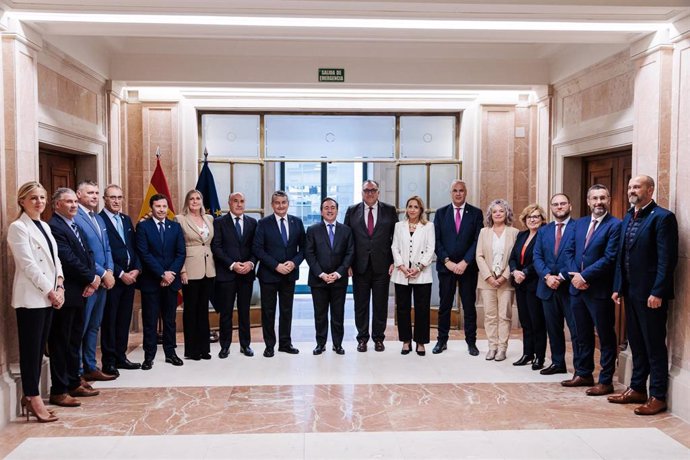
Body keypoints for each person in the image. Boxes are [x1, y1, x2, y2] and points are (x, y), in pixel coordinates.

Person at [609, 175, 678, 415]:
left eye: (637, 187)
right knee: (636, 343)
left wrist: (658, 291)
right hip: (630, 291)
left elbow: (666, 260)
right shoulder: (629, 216)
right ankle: (637, 388)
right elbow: (621, 256)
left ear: (650, 190)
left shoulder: (663, 218)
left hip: (650, 295)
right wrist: (618, 287)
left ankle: (658, 395)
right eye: (629, 187)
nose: (632, 190)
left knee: (654, 345)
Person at [8, 181, 64, 423]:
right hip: (31, 298)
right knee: (31, 351)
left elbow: (55, 258)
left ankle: (33, 396)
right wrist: (50, 291)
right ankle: (31, 396)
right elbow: (28, 264)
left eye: (42, 197)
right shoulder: (18, 227)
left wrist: (60, 283)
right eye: (33, 198)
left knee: (41, 347)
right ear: (22, 201)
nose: (39, 202)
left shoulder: (44, 225)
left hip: (49, 294)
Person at [561, 184, 620, 396]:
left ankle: (606, 380)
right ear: (588, 201)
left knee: (605, 336)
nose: (598, 202)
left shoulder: (615, 225)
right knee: (581, 334)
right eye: (594, 198)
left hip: (599, 291)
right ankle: (583, 373)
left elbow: (610, 257)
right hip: (577, 290)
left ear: (609, 199)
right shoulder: (580, 223)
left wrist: (584, 277)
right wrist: (576, 276)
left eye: (602, 198)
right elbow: (568, 252)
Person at [48, 188, 100, 408]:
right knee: (60, 341)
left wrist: (91, 280)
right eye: (67, 201)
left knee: (73, 340)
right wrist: (91, 277)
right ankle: (58, 390)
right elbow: (67, 259)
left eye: (74, 202)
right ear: (56, 205)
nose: (73, 205)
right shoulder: (54, 227)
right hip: (66, 292)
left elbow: (88, 254)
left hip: (81, 291)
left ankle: (72, 382)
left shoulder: (75, 225)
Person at [344, 180, 398, 352]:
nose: (369, 193)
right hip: (359, 267)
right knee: (361, 304)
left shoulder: (389, 211)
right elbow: (347, 240)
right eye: (366, 190)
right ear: (361, 192)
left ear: (378, 192)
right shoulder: (352, 211)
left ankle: (378, 338)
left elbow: (395, 238)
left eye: (373, 190)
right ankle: (362, 338)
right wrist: (348, 264)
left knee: (380, 304)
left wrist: (394, 262)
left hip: (382, 266)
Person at [135, 193, 186, 370]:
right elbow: (144, 253)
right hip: (151, 281)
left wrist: (171, 273)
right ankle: (149, 356)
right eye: (158, 206)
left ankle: (171, 353)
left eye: (164, 206)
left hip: (171, 281)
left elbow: (181, 253)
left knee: (170, 320)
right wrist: (161, 274)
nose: (162, 210)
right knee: (150, 320)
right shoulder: (143, 227)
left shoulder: (175, 227)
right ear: (152, 208)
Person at [433, 180, 483, 355]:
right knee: (444, 306)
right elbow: (436, 240)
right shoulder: (440, 213)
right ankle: (441, 341)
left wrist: (465, 262)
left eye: (461, 190)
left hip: (467, 269)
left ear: (466, 192)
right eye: (455, 190)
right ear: (451, 193)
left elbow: (478, 240)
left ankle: (471, 342)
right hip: (446, 268)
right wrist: (447, 261)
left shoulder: (476, 213)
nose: (458, 193)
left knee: (469, 306)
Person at [253, 191, 306, 357]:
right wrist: (276, 266)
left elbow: (304, 249)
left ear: (288, 204)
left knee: (286, 310)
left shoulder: (297, 222)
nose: (281, 206)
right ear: (272, 204)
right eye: (277, 203)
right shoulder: (263, 223)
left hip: (289, 274)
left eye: (284, 202)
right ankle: (269, 345)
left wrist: (294, 263)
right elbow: (258, 249)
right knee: (268, 311)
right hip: (269, 274)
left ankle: (285, 343)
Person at [74, 180, 116, 382]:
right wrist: (101, 272)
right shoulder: (76, 217)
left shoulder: (97, 218)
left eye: (97, 193)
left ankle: (91, 366)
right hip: (88, 282)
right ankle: (78, 371)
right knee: (80, 327)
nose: (94, 196)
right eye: (90, 192)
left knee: (94, 325)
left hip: (103, 281)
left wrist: (110, 270)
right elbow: (83, 251)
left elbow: (106, 247)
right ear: (79, 195)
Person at [533, 193, 579, 376]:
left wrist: (560, 276)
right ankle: (558, 362)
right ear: (551, 208)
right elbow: (537, 256)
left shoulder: (578, 227)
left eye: (562, 204)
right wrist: (546, 276)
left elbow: (578, 256)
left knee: (576, 329)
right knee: (553, 328)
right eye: (555, 204)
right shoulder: (544, 230)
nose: (559, 207)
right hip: (547, 287)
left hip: (569, 287)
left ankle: (580, 368)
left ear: (570, 206)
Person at [99, 184, 142, 375]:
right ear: (105, 199)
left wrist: (136, 269)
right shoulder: (99, 221)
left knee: (124, 319)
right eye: (112, 197)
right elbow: (101, 253)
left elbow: (134, 247)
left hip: (130, 278)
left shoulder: (125, 219)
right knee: (110, 320)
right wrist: (120, 274)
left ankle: (121, 356)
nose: (116, 201)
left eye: (119, 197)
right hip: (113, 279)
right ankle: (108, 360)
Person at [305, 198, 354, 356]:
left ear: (337, 210)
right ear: (321, 211)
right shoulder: (312, 230)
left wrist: (339, 272)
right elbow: (309, 254)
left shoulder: (346, 230)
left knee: (338, 314)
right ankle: (320, 344)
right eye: (326, 208)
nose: (330, 210)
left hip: (339, 280)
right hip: (318, 280)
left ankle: (338, 344)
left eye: (333, 207)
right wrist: (321, 274)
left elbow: (350, 253)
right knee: (320, 314)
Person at [212, 192, 257, 358]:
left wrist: (250, 263)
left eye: (242, 201)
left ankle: (245, 345)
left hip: (246, 274)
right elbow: (217, 248)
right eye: (235, 201)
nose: (239, 204)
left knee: (244, 311)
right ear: (229, 203)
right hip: (227, 274)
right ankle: (225, 346)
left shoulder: (253, 223)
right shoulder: (219, 222)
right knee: (226, 312)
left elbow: (256, 247)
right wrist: (232, 265)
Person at [391, 196, 435, 356]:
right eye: (410, 206)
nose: (412, 209)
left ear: (421, 210)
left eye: (416, 207)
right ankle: (406, 341)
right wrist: (401, 266)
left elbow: (431, 249)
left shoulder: (428, 226)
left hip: (421, 274)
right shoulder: (398, 226)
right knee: (402, 309)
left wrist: (419, 267)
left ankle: (421, 342)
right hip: (401, 273)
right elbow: (394, 247)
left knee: (422, 309)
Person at [476, 199, 519, 361]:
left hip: (505, 281)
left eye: (501, 211)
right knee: (490, 315)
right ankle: (492, 347)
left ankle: (502, 348)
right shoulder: (483, 232)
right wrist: (488, 276)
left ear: (506, 213)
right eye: (495, 211)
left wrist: (503, 277)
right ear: (490, 215)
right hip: (486, 281)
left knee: (504, 315)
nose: (498, 214)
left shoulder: (514, 232)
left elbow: (514, 258)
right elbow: (479, 255)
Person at [176, 189, 216, 361]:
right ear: (187, 201)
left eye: (198, 198)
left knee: (203, 310)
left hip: (209, 269)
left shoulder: (209, 218)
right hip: (190, 269)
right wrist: (182, 270)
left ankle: (204, 348)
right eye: (191, 198)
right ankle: (192, 350)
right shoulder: (180, 219)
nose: (195, 201)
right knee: (191, 310)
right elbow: (177, 247)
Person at [509, 204, 547, 369]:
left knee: (537, 321)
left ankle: (539, 357)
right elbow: (512, 258)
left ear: (542, 219)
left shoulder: (544, 235)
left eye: (536, 216)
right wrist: (514, 271)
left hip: (534, 284)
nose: (533, 219)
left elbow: (540, 259)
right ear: (525, 219)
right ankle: (527, 354)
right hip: (520, 284)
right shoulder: (522, 235)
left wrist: (524, 272)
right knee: (525, 321)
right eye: (530, 217)